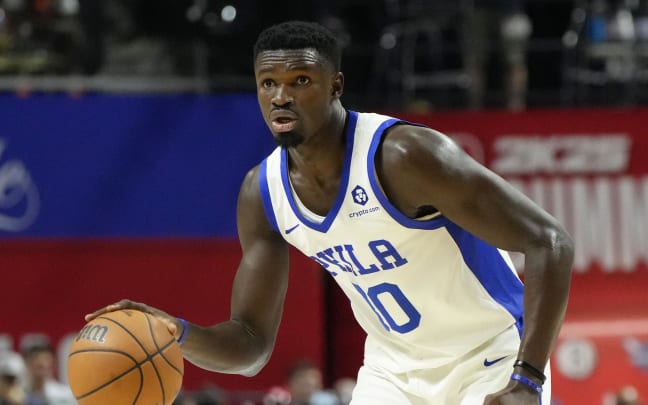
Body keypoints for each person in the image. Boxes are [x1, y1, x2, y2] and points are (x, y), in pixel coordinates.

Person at [86, 20, 574, 404]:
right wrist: (175, 334)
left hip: (486, 358)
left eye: (301, 81)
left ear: (336, 84)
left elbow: (550, 242)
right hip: (393, 371)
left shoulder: (404, 157)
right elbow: (252, 345)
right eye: (268, 83)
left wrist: (527, 377)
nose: (281, 96)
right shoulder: (264, 193)